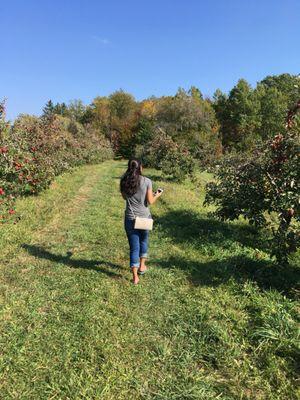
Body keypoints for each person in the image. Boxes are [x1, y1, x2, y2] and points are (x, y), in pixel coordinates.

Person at [120, 159, 163, 285]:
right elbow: (149, 201)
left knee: (134, 247)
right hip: (144, 218)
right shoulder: (147, 181)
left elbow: (124, 197)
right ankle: (142, 267)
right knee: (143, 241)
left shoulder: (124, 180)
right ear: (141, 167)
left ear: (129, 167)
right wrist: (157, 195)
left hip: (130, 218)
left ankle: (135, 277)